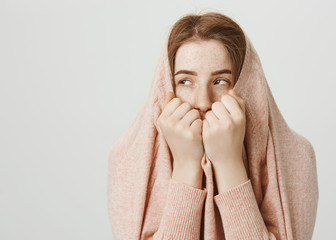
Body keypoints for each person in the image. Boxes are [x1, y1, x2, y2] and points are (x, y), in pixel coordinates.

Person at [107, 11, 319, 240]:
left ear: (246, 86)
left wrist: (229, 163)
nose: (202, 102)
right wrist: (187, 166)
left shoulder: (296, 154)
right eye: (185, 81)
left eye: (220, 81)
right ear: (167, 87)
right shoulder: (128, 158)